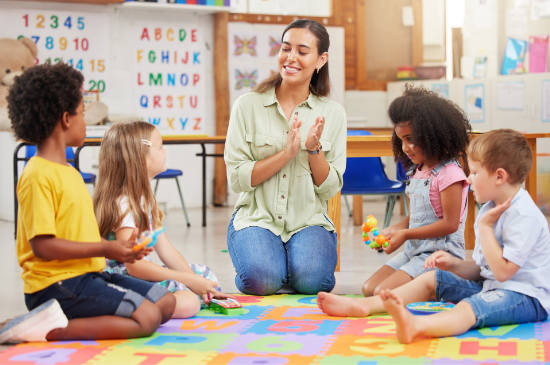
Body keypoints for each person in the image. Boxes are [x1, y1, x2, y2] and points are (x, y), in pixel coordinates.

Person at [318, 129, 550, 344]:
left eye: (476, 173)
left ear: (499, 176)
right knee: (433, 278)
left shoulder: (523, 215)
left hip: (526, 297)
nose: (469, 180)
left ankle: (418, 325)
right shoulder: (489, 209)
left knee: (470, 307)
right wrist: (455, 265)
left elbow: (503, 272)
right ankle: (365, 306)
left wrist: (487, 230)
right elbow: (484, 269)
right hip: (491, 286)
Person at [0, 63, 175, 344]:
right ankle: (44, 329)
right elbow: (42, 246)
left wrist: (123, 250)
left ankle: (65, 319)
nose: (86, 122)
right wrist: (106, 247)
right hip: (55, 285)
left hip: (88, 274)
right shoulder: (37, 174)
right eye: (83, 114)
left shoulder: (69, 171)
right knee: (147, 319)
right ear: (66, 119)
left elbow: (79, 233)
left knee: (166, 303)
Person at [224, 19, 347, 295]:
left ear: (320, 59)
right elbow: (238, 179)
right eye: (285, 48)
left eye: (302, 51)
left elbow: (329, 188)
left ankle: (288, 266)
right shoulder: (247, 106)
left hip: (308, 220)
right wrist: (287, 154)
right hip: (257, 218)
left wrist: (314, 150)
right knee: (261, 280)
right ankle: (271, 264)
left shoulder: (333, 113)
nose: (291, 58)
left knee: (313, 283)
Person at [93, 121, 233, 318]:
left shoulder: (144, 199)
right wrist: (186, 281)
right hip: (121, 279)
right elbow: (134, 267)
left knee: (204, 276)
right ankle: (132, 309)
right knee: (189, 302)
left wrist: (192, 280)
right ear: (140, 158)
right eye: (159, 147)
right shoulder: (124, 205)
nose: (164, 152)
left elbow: (166, 249)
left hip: (141, 274)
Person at [359, 86, 471, 296]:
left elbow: (449, 223)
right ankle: (421, 288)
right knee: (369, 289)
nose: (405, 148)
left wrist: (406, 234)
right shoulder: (419, 171)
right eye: (401, 140)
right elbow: (421, 217)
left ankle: (442, 285)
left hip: (440, 255)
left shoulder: (449, 174)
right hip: (415, 251)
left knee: (383, 293)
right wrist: (394, 230)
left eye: (410, 138)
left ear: (433, 135)